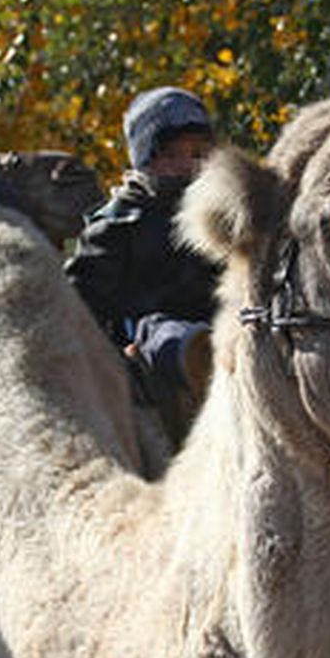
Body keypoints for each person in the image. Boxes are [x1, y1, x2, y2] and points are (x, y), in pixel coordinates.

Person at [64, 86, 219, 427]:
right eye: (172, 155)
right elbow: (82, 298)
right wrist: (107, 353)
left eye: (199, 154)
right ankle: (194, 354)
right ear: (146, 161)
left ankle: (211, 354)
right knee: (159, 330)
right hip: (143, 339)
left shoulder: (215, 216)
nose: (188, 165)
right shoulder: (118, 223)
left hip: (216, 323)